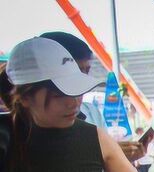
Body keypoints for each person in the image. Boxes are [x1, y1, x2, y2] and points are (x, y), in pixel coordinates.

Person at [0, 37, 144, 172]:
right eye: (59, 95)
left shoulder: (96, 138)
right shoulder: (5, 136)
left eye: (77, 90)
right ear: (24, 98)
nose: (74, 102)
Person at [39, 32, 144, 161]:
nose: (72, 103)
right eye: (75, 72)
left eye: (86, 71)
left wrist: (113, 161)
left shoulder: (91, 114)